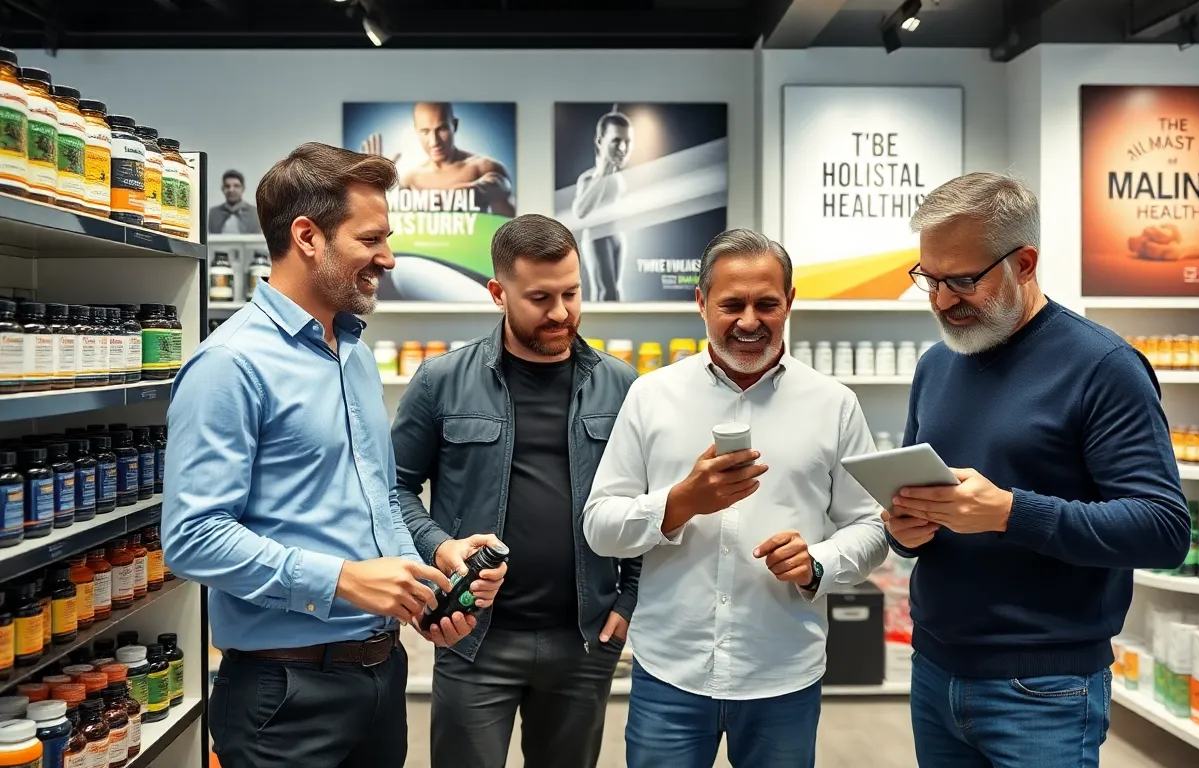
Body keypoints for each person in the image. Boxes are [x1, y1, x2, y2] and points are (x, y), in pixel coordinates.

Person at [163, 142, 507, 768]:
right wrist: (343, 580)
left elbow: (374, 501)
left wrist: (428, 571)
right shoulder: (229, 365)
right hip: (283, 696)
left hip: (380, 677)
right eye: (371, 238)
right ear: (307, 236)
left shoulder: (352, 352)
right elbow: (191, 537)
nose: (389, 257)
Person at [887, 172, 1190, 767]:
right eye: (929, 278)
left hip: (1044, 690)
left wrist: (1009, 512)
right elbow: (913, 509)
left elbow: (1162, 529)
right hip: (934, 672)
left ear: (1024, 263)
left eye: (964, 280)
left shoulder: (1103, 366)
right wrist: (905, 529)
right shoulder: (936, 365)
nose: (943, 299)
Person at [582, 228, 889, 768]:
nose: (749, 321)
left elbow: (869, 527)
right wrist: (680, 502)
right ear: (701, 303)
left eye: (767, 303)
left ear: (790, 302)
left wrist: (818, 561)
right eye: (732, 304)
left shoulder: (833, 404)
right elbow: (600, 525)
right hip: (670, 673)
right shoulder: (651, 396)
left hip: (783, 673)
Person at [392, 213, 641, 768]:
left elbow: (644, 504)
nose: (561, 313)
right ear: (499, 293)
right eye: (540, 298)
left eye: (572, 293)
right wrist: (437, 545)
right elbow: (396, 490)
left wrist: (628, 597)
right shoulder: (440, 381)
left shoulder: (623, 385)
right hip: (474, 636)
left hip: (584, 639)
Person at [361, 101, 515, 216]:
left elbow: (506, 216)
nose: (434, 141)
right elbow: (375, 221)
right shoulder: (411, 179)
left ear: (454, 125)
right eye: (425, 132)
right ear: (416, 132)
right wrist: (374, 185)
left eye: (441, 129)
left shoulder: (484, 168)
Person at [572, 105, 633, 302]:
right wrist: (604, 172)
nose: (622, 148)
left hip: (617, 236)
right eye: (616, 141)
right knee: (606, 292)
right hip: (598, 237)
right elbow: (580, 212)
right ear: (600, 141)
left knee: (616, 291)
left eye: (627, 142)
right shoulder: (588, 178)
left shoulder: (620, 179)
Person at [207, 169, 262, 234]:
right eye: (227, 186)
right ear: (222, 189)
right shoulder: (214, 213)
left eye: (236, 186)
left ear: (243, 188)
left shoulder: (255, 213)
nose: (231, 190)